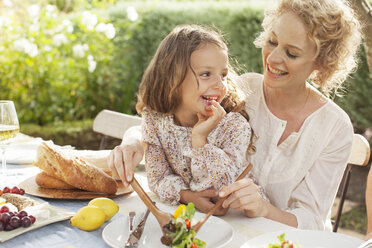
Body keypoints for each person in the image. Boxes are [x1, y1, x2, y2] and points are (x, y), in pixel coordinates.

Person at [109, 0, 361, 231]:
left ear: (322, 63)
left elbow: (313, 221)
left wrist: (264, 209)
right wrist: (133, 141)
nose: (272, 58)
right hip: (228, 232)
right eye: (272, 41)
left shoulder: (334, 127)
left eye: (291, 53)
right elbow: (172, 121)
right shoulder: (240, 90)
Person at [115, 24, 263, 212]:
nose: (220, 84)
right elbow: (157, 178)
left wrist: (200, 141)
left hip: (240, 218)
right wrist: (187, 196)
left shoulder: (233, 126)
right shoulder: (156, 120)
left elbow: (223, 186)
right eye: (206, 74)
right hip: (191, 217)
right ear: (173, 78)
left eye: (223, 74)